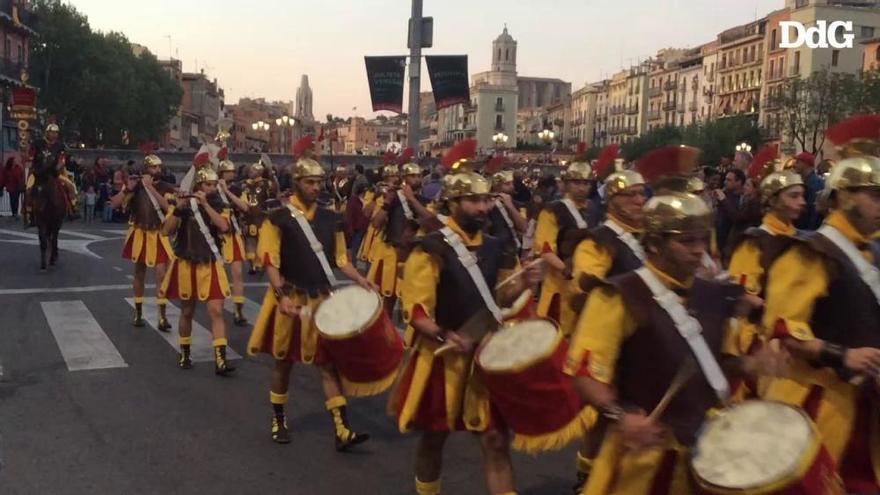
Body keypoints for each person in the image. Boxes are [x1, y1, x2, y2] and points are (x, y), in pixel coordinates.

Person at [566, 192, 772, 495]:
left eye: (702, 240)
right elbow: (585, 374)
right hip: (646, 455)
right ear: (653, 244)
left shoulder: (713, 295)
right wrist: (622, 417)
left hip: (707, 451)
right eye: (686, 241)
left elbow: (718, 364)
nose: (699, 251)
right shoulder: (618, 295)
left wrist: (752, 363)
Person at [390, 167, 541, 495]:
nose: (484, 207)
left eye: (486, 200)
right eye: (474, 201)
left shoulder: (496, 245)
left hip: (485, 355)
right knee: (434, 439)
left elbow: (497, 298)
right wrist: (445, 335)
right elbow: (416, 311)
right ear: (453, 202)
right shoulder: (430, 247)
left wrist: (524, 284)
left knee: (495, 441)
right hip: (441, 357)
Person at [761, 115, 880, 493]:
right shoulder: (812, 253)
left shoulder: (869, 253)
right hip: (816, 402)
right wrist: (841, 354)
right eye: (874, 195)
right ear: (844, 196)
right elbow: (784, 327)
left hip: (862, 404)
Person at [246, 152, 376, 447]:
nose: (316, 187)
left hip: (321, 300)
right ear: (297, 183)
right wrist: (280, 295)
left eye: (319, 182)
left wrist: (360, 279)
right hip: (291, 298)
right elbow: (271, 260)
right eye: (310, 182)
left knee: (329, 364)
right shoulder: (278, 218)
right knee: (283, 364)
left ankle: (342, 429)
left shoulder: (332, 219)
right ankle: (279, 419)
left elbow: (341, 259)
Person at [727, 162, 804, 400]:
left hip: (796, 337)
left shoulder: (804, 241)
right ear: (773, 199)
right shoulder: (755, 241)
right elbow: (739, 291)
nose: (802, 202)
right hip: (760, 334)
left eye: (803, 196)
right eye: (793, 196)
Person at [159, 167, 234, 374]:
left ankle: (220, 359)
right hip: (187, 263)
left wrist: (206, 204)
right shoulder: (184, 205)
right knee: (187, 311)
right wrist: (179, 207)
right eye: (207, 185)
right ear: (199, 185)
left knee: (217, 311)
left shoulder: (220, 205)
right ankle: (185, 352)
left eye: (213, 185)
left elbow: (224, 227)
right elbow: (166, 231)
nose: (211, 188)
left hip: (210, 262)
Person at [533, 161, 602, 337]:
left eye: (586, 183)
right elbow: (545, 249)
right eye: (576, 183)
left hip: (586, 286)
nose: (581, 188)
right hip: (560, 285)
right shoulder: (553, 210)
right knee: (554, 338)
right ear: (566, 183)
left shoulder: (593, 209)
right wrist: (566, 269)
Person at [111, 154, 176, 330]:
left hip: (159, 233)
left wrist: (151, 189)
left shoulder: (165, 186)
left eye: (159, 167)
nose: (158, 170)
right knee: (139, 272)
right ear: (146, 169)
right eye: (154, 167)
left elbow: (168, 207)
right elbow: (114, 204)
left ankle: (162, 316)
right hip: (140, 232)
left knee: (161, 274)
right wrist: (127, 189)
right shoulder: (134, 186)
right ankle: (138, 312)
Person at [369, 159, 435, 315]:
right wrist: (387, 202)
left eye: (419, 176)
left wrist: (411, 199)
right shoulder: (392, 198)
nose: (417, 179)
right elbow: (376, 224)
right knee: (385, 304)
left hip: (415, 256)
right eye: (413, 176)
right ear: (404, 178)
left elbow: (432, 222)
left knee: (416, 306)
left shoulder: (426, 201)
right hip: (392, 254)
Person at [217, 158, 251, 326]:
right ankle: (218, 307)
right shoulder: (212, 189)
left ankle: (238, 310)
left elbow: (245, 207)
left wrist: (228, 192)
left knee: (237, 273)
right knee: (218, 274)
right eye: (229, 171)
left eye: (232, 171)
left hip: (234, 235)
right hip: (217, 236)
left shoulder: (237, 190)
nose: (232, 174)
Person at [24, 123, 75, 226]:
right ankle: (29, 213)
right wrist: (31, 164)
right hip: (38, 173)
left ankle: (72, 209)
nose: (54, 135)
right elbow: (30, 157)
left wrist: (57, 167)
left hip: (53, 173)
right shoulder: (37, 143)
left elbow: (62, 159)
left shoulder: (60, 145)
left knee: (70, 186)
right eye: (52, 132)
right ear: (47, 133)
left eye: (56, 133)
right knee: (29, 189)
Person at [240, 161, 277, 274]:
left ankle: (259, 263)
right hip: (249, 216)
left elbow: (274, 194)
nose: (250, 172)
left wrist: (273, 176)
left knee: (261, 240)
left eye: (253, 170)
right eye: (250, 170)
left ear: (260, 172)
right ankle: (252, 264)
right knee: (250, 240)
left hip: (262, 216)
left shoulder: (267, 183)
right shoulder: (244, 184)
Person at [792, 151, 825, 231]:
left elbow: (814, 210)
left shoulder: (815, 183)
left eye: (798, 162)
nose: (794, 165)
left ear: (805, 163)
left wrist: (809, 232)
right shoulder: (806, 181)